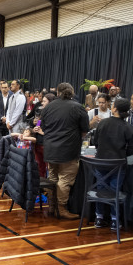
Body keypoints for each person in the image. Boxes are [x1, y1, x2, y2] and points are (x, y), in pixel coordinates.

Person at [41, 82, 89, 219]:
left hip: (50, 149)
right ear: (72, 93)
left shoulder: (48, 107)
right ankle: (61, 209)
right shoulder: (78, 107)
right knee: (65, 180)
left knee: (53, 178)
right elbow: (84, 131)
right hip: (68, 150)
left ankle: (51, 207)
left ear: (57, 93)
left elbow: (43, 128)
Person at [92, 98, 133, 230]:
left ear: (115, 109)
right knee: (115, 190)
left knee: (101, 189)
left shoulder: (103, 123)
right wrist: (121, 153)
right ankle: (114, 220)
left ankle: (99, 217)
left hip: (101, 163)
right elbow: (132, 149)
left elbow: (96, 142)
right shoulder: (128, 127)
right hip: (118, 164)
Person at [32, 93, 57, 177]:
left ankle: (47, 187)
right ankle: (41, 186)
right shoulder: (42, 112)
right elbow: (38, 125)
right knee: (39, 166)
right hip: (38, 143)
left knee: (48, 168)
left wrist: (43, 132)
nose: (42, 103)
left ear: (50, 102)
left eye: (44, 101)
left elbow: (55, 130)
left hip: (46, 144)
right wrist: (35, 128)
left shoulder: (54, 115)